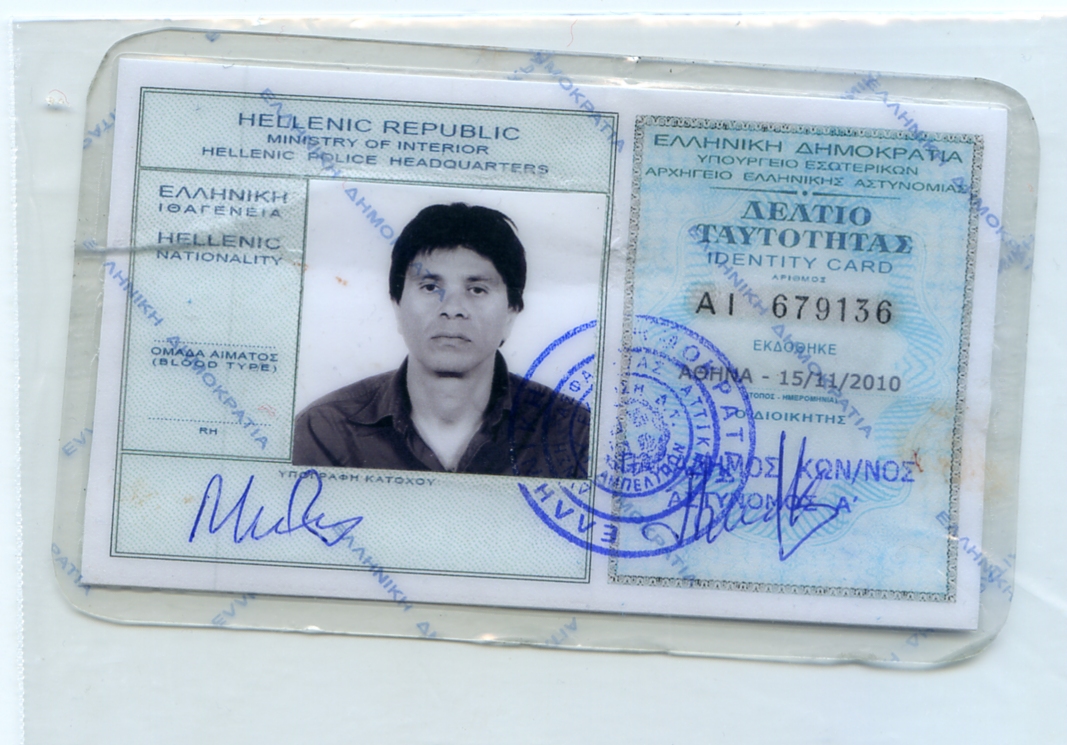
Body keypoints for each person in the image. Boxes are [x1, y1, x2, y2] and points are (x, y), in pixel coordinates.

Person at [292, 202, 590, 478]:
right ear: (397, 305)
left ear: (511, 312)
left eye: (477, 290)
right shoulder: (327, 431)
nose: (452, 308)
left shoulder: (572, 432)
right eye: (430, 287)